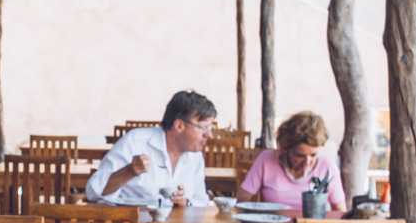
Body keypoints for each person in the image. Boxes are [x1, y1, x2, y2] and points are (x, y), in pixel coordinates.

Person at [85, 90, 216, 208]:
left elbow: (201, 201)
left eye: (210, 128)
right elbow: (93, 192)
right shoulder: (136, 141)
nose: (209, 135)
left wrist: (185, 203)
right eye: (203, 128)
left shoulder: (195, 156)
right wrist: (129, 171)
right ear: (179, 125)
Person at [238, 110, 348, 212]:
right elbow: (241, 202)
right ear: (285, 149)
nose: (307, 162)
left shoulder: (327, 168)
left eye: (313, 155)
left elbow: (340, 213)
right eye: (300, 156)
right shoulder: (266, 160)